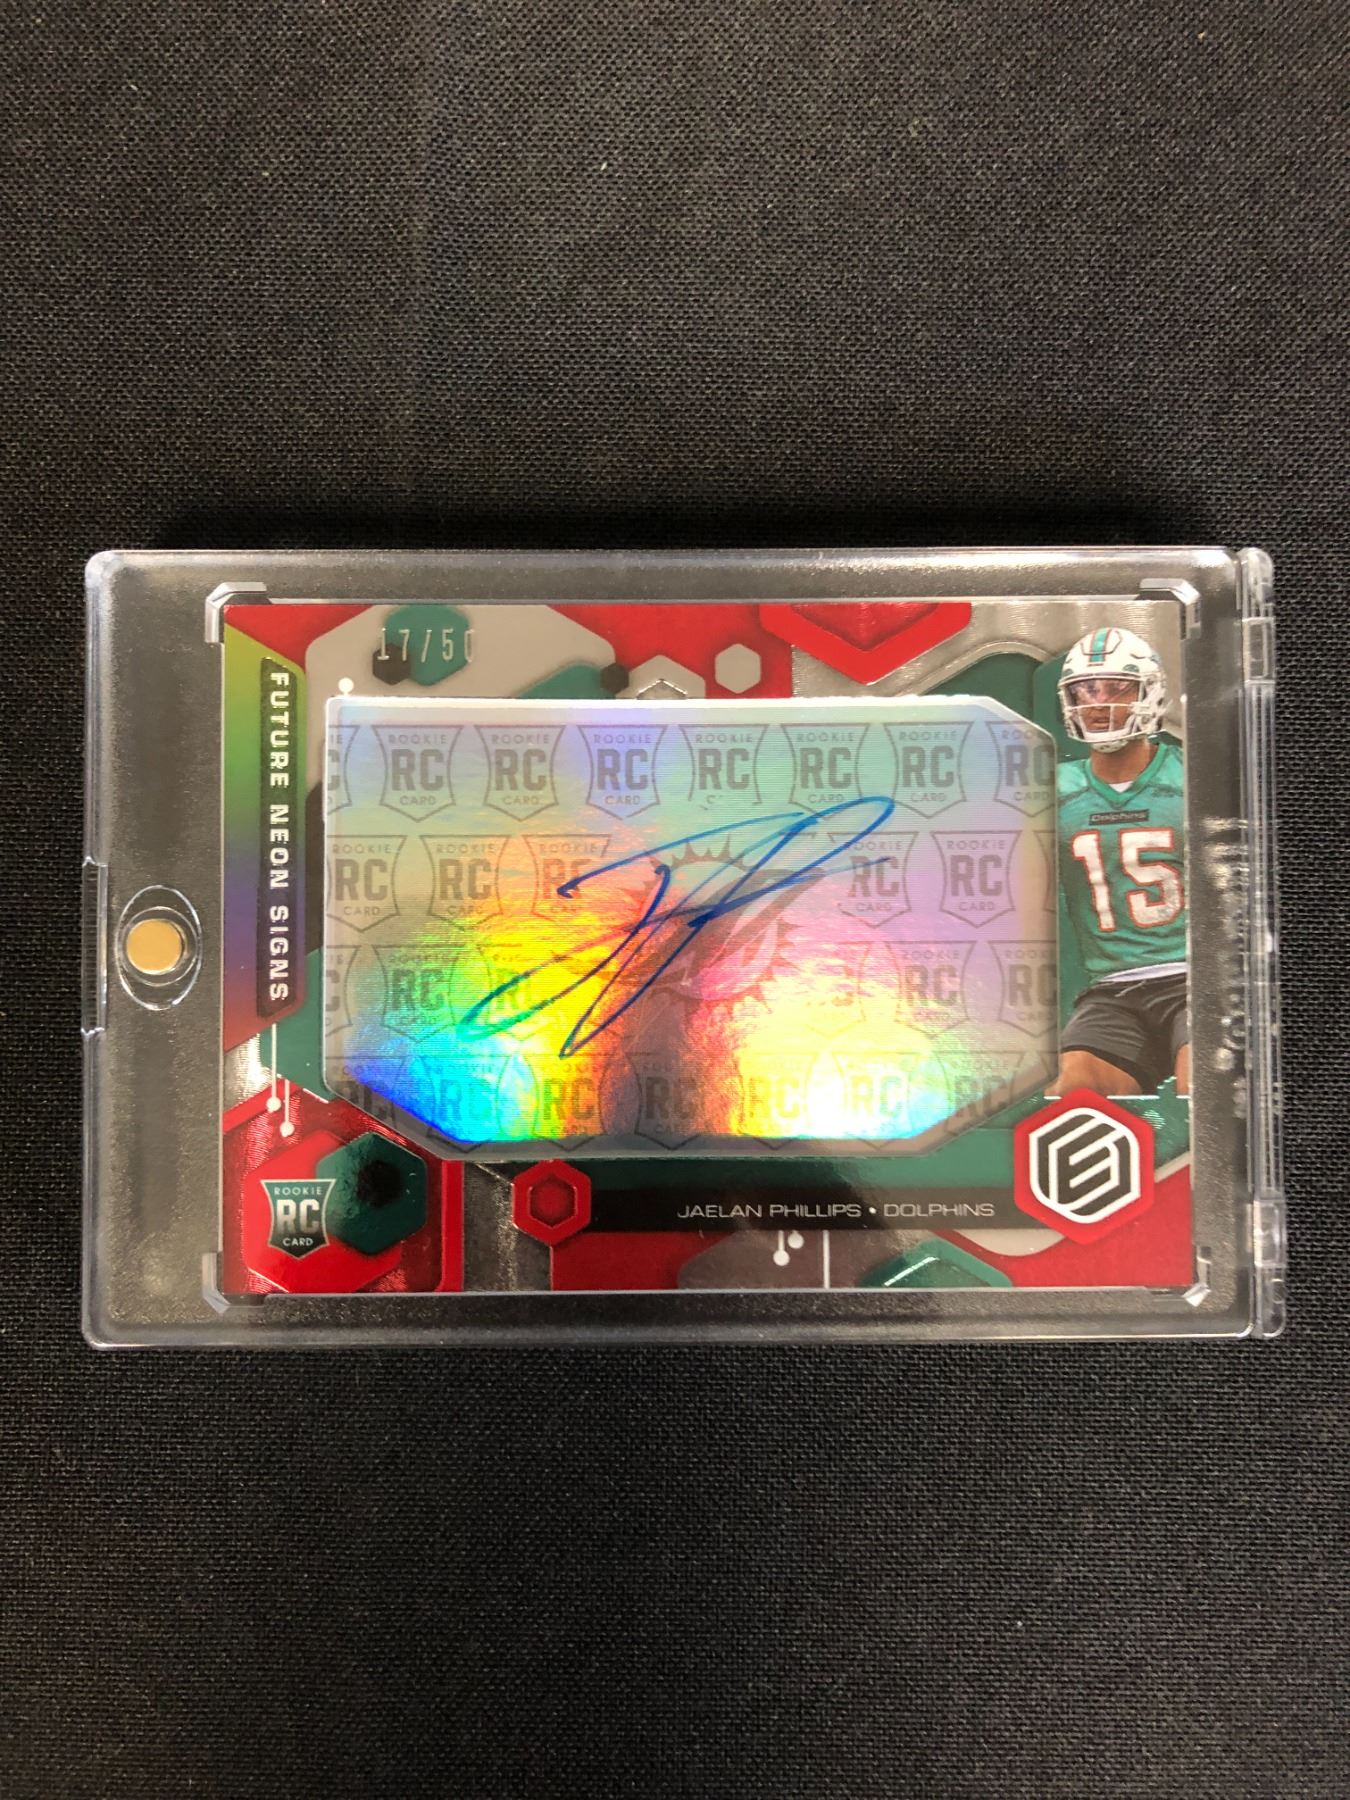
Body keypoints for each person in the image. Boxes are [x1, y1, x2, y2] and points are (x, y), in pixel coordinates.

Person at [1051, 627, 1188, 1098]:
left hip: (1197, 979)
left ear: (1149, 693)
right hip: (1113, 988)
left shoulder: (1192, 776)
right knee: (1072, 1092)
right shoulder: (1049, 788)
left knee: (1203, 1087)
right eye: (1086, 690)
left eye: (1117, 688)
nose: (1099, 703)